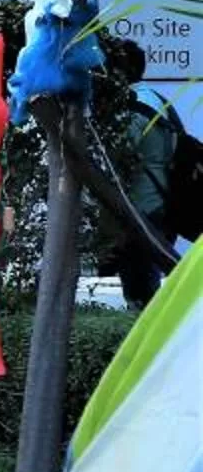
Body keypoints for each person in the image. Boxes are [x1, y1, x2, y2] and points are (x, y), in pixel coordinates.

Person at [104, 38, 180, 308]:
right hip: (165, 199)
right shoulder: (158, 100)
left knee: (140, 289)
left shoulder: (134, 105)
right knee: (149, 278)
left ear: (120, 71)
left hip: (142, 205)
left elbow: (119, 155)